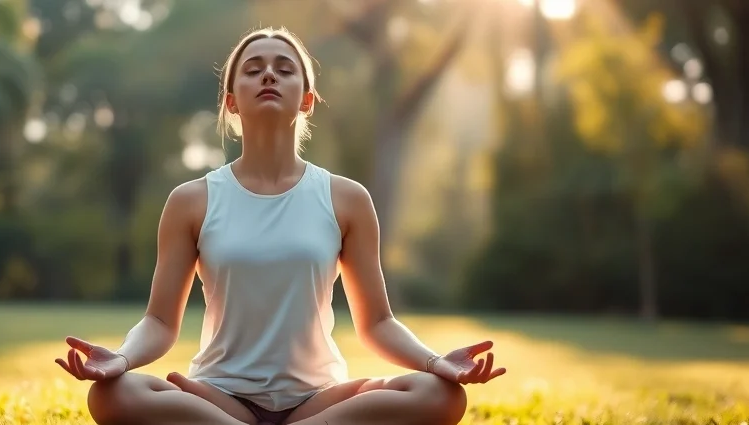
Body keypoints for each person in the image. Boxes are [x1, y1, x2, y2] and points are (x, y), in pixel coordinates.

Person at [54, 26, 506, 425]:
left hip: (318, 399)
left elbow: (378, 322)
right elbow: (158, 320)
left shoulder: (346, 199)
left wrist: (434, 363)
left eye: (284, 69)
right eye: (253, 69)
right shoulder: (191, 200)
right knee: (111, 395)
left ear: (306, 99)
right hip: (219, 397)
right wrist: (122, 359)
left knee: (441, 396)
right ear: (231, 101)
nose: (268, 75)